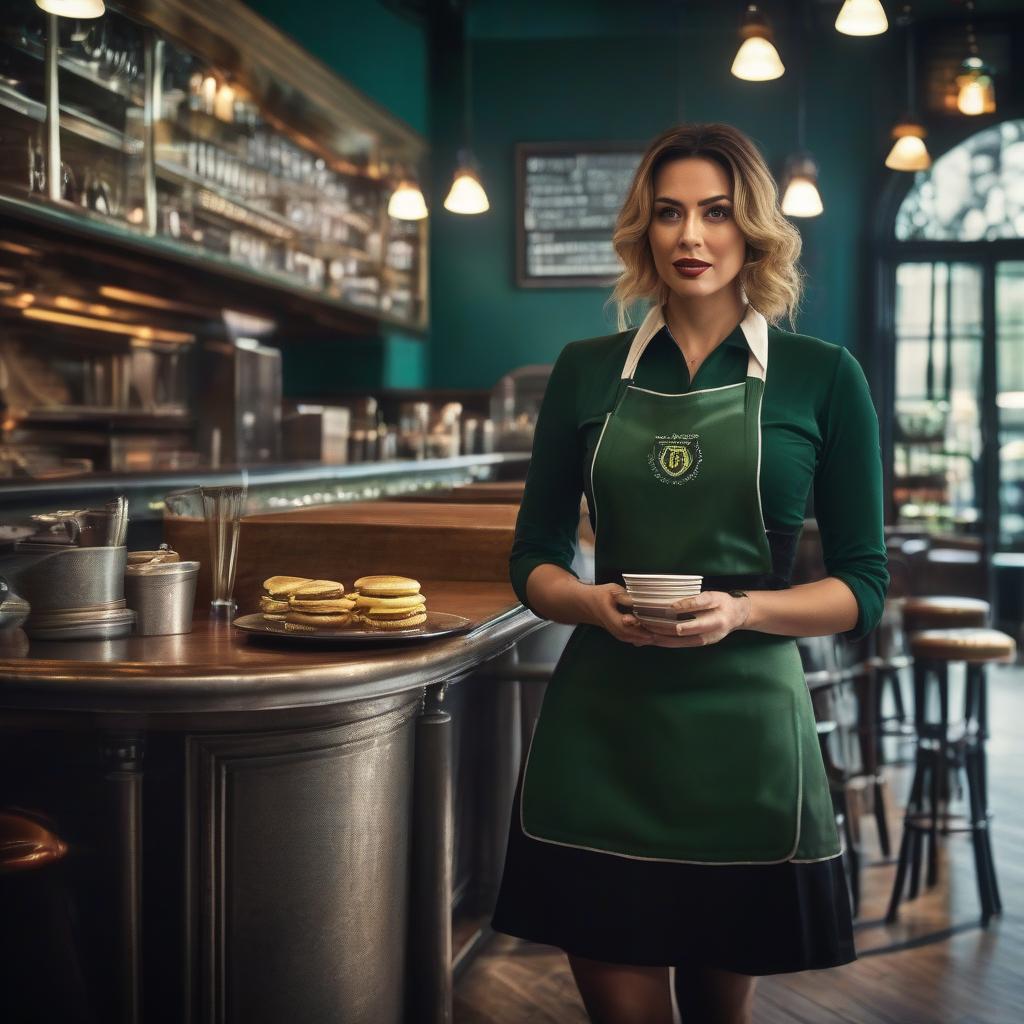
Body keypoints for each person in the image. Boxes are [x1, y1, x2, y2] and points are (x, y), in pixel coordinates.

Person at [490, 122, 889, 1024]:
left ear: (752, 228)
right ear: (644, 231)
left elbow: (863, 588)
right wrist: (588, 603)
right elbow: (533, 558)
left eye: (715, 212)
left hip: (744, 732)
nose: (690, 236)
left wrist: (742, 613)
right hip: (603, 725)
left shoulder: (824, 377)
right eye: (668, 214)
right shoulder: (586, 371)